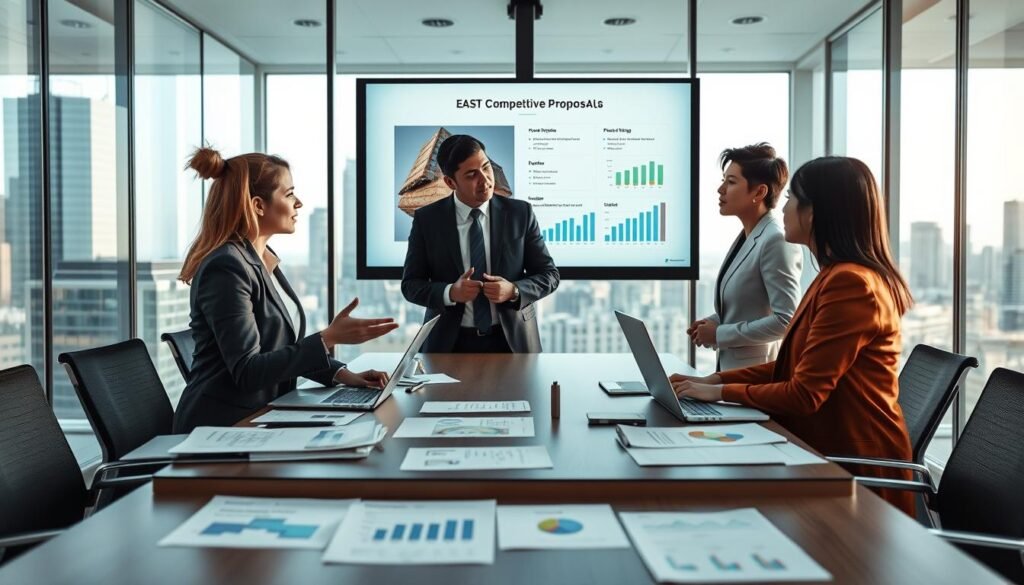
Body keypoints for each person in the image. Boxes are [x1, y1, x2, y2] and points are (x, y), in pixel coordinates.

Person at [671, 156, 916, 515]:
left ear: (814, 213)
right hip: (826, 452)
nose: (783, 208)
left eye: (792, 200)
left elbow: (803, 394)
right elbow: (791, 367)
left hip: (857, 473)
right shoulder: (832, 276)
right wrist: (714, 379)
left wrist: (720, 392)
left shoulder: (851, 284)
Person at [173, 148, 398, 433]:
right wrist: (328, 337)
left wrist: (342, 374)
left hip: (258, 416)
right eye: (289, 194)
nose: (299, 203)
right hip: (222, 426)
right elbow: (248, 370)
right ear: (258, 205)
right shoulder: (227, 267)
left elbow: (278, 349)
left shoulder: (258, 259)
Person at [402, 134, 559, 353]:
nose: (485, 180)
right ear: (450, 182)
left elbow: (549, 275)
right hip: (449, 345)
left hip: (513, 344)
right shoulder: (427, 220)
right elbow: (410, 285)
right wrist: (450, 292)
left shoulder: (520, 214)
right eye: (471, 175)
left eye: (486, 167)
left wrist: (514, 290)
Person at [688, 143, 802, 371]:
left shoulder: (775, 240)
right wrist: (714, 322)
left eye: (731, 182)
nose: (720, 189)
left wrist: (720, 333)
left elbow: (786, 320)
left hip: (756, 375)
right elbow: (749, 308)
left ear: (759, 192)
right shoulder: (748, 236)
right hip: (733, 373)